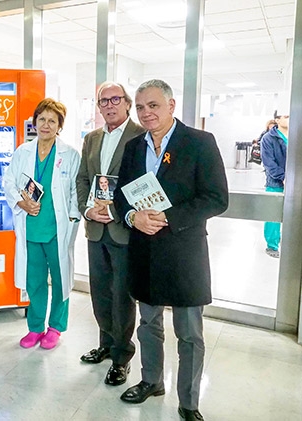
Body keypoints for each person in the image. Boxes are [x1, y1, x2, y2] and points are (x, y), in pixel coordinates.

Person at [113, 79, 228, 421]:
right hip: (144, 250)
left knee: (189, 333)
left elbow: (216, 198)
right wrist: (132, 216)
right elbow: (121, 195)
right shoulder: (134, 147)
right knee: (148, 323)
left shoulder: (199, 142)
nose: (146, 113)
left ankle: (189, 402)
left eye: (153, 105)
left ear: (171, 106)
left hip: (184, 253)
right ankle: (151, 381)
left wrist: (169, 217)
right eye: (140, 107)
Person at [75, 81, 145, 387]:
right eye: (103, 101)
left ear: (127, 103)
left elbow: (144, 182)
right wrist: (87, 210)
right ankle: (105, 343)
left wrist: (117, 210)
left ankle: (121, 357)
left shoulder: (141, 136)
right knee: (100, 292)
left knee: (122, 296)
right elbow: (83, 179)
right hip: (95, 229)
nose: (109, 105)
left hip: (124, 229)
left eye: (115, 99)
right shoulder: (92, 139)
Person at [3, 98, 81, 350]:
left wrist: (72, 219)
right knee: (34, 281)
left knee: (60, 279)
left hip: (58, 229)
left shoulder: (70, 154)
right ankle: (35, 327)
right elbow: (9, 182)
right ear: (34, 122)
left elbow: (75, 192)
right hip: (31, 227)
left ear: (60, 126)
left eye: (52, 121)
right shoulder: (23, 152)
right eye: (42, 119)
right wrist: (21, 203)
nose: (46, 125)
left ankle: (56, 327)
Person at [261, 111, 289, 258]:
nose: (290, 119)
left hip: (295, 183)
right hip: (276, 182)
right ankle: (272, 245)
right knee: (273, 215)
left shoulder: (296, 136)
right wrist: (284, 177)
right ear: (277, 120)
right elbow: (269, 163)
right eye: (286, 117)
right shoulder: (268, 138)